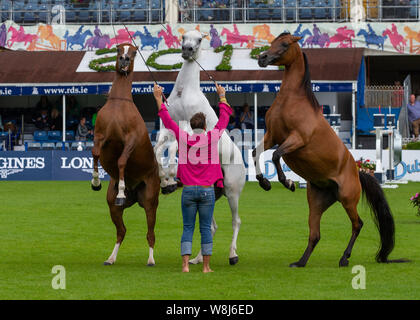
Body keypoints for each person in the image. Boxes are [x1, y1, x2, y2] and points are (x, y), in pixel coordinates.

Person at [153, 82, 232, 273]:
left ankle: (185, 266)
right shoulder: (212, 136)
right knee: (205, 229)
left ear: (191, 126)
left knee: (187, 228)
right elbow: (224, 119)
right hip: (206, 191)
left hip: (188, 190)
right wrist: (222, 97)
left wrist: (158, 98)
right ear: (204, 126)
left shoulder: (183, 137)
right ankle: (206, 267)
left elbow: (167, 120)